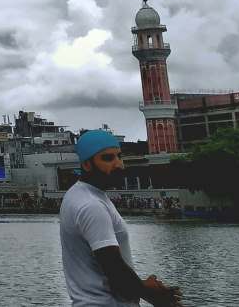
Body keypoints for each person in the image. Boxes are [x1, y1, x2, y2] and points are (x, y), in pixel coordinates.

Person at [59, 130, 182, 306]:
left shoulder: (80, 195)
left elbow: (113, 270)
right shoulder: (91, 205)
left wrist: (147, 291)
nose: (119, 164)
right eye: (108, 158)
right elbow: (115, 271)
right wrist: (152, 293)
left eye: (119, 156)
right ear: (87, 164)